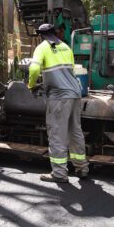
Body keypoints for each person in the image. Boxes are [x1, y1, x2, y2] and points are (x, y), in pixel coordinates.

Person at [28, 23, 88, 183]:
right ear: (55, 33)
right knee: (75, 131)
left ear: (41, 35)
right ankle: (82, 168)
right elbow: (72, 71)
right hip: (75, 93)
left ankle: (59, 174)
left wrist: (31, 85)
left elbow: (34, 70)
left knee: (57, 133)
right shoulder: (66, 48)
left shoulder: (42, 47)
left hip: (59, 96)